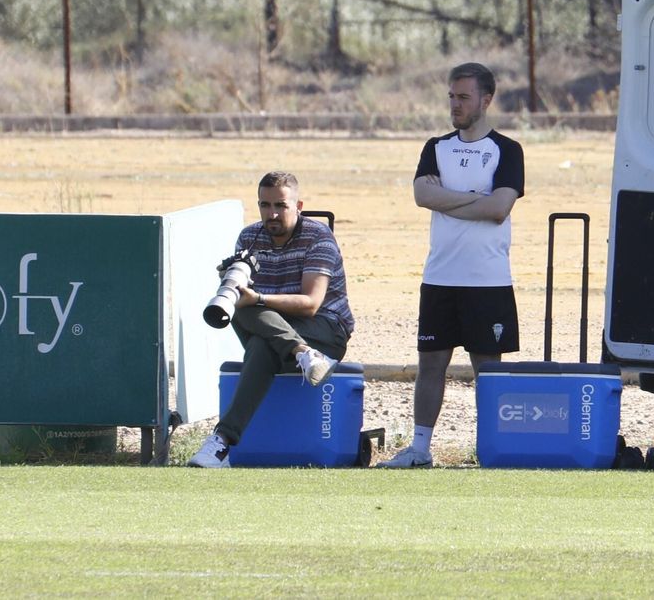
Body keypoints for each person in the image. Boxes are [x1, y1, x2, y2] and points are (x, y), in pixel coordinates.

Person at [379, 62, 524, 468]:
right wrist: (476, 198)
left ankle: (493, 450)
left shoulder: (507, 150)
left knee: (488, 370)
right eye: (451, 96)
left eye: (463, 97)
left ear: (486, 99)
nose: (455, 105)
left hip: (488, 281)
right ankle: (420, 449)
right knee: (431, 365)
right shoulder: (436, 147)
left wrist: (453, 197)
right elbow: (423, 196)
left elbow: (500, 208)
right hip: (440, 277)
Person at [188, 171, 355, 468]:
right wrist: (231, 282)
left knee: (260, 343)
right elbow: (244, 300)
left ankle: (222, 444)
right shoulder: (249, 236)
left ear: (299, 205)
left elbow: (311, 304)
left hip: (326, 330)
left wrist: (258, 298)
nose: (272, 213)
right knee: (234, 301)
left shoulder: (319, 237)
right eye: (265, 205)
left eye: (281, 205)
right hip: (283, 335)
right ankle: (302, 354)